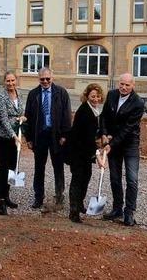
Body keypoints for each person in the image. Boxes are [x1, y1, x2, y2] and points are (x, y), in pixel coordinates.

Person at [99, 73, 145, 226]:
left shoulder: (138, 103)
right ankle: (117, 208)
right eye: (122, 84)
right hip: (112, 142)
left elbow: (127, 129)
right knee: (114, 177)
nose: (124, 87)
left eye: (127, 85)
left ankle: (129, 211)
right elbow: (104, 116)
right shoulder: (112, 95)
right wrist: (104, 134)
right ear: (118, 84)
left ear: (133, 86)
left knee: (132, 179)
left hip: (129, 144)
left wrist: (110, 144)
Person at [24, 67, 71, 209]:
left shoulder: (61, 93)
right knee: (39, 168)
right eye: (42, 79)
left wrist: (65, 135)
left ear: (52, 78)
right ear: (39, 79)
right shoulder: (33, 94)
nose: (45, 81)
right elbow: (28, 117)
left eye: (47, 79)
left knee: (58, 167)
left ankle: (59, 195)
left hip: (56, 136)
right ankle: (38, 197)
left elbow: (67, 115)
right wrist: (29, 138)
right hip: (40, 135)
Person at [62, 83, 103, 223]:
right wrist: (98, 155)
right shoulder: (85, 111)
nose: (95, 99)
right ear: (87, 96)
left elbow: (95, 134)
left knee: (86, 178)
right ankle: (73, 212)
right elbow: (87, 137)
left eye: (98, 96)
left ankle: (79, 204)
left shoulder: (95, 111)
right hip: (77, 152)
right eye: (92, 96)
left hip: (86, 152)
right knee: (78, 180)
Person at [0, 71, 24, 215]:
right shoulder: (1, 96)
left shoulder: (20, 94)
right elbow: (4, 119)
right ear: (4, 82)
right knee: (4, 168)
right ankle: (1, 201)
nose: (10, 83)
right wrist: (13, 135)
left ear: (16, 81)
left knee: (12, 167)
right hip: (4, 136)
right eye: (8, 81)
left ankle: (7, 196)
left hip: (16, 136)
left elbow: (21, 112)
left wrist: (23, 118)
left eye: (13, 80)